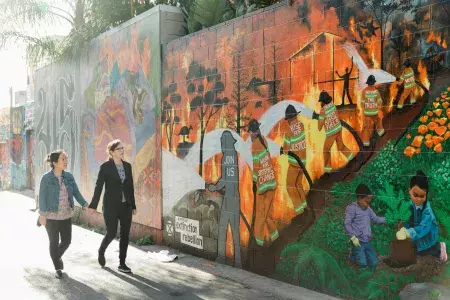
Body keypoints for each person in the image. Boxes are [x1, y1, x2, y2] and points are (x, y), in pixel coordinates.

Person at [38, 150, 92, 278]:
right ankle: (58, 268)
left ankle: (56, 258)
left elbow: (76, 193)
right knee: (54, 242)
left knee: (67, 241)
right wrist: (42, 215)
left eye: (66, 159)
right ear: (55, 162)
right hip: (51, 216)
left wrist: (85, 204)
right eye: (63, 159)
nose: (66, 161)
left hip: (66, 215)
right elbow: (42, 197)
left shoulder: (69, 177)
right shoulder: (46, 178)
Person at [89, 139, 137, 273]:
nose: (122, 151)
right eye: (119, 149)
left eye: (123, 148)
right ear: (111, 152)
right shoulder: (105, 167)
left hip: (125, 205)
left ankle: (122, 264)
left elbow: (130, 186)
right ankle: (101, 250)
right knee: (111, 232)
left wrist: (133, 205)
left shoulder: (127, 166)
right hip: (110, 205)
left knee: (125, 234)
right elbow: (99, 186)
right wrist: (93, 205)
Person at [396, 171, 447, 263]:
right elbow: (406, 218)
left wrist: (407, 233)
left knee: (425, 249)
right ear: (409, 192)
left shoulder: (427, 210)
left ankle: (439, 248)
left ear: (426, 194)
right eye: (415, 195)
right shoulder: (409, 205)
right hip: (415, 233)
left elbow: (424, 228)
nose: (418, 199)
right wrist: (402, 226)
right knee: (415, 249)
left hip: (427, 234)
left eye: (422, 196)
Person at [207, 131, 241, 267]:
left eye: (222, 142)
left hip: (228, 200)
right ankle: (238, 262)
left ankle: (221, 257)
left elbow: (225, 179)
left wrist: (214, 187)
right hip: (235, 198)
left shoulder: (226, 156)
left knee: (222, 228)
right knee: (235, 232)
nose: (221, 145)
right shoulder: (234, 155)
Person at [248, 119, 279, 247]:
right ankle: (275, 237)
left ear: (253, 133)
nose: (249, 134)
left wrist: (254, 182)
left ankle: (258, 242)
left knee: (261, 214)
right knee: (269, 213)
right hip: (271, 181)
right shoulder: (264, 140)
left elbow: (256, 166)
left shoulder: (255, 145)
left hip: (263, 185)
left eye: (250, 132)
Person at [344, 184, 386, 268]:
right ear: (360, 198)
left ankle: (361, 253)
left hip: (366, 240)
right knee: (362, 263)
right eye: (367, 201)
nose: (368, 203)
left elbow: (376, 219)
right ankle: (353, 253)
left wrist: (388, 219)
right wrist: (353, 237)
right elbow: (347, 223)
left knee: (374, 263)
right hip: (358, 241)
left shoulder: (368, 209)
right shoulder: (352, 208)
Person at [317, 90, 354, 173]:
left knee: (326, 150)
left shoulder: (323, 110)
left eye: (321, 101)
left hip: (331, 133)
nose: (320, 103)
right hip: (338, 129)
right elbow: (337, 116)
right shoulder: (333, 106)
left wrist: (319, 118)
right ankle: (352, 158)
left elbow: (319, 127)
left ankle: (328, 170)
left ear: (323, 101)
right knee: (341, 147)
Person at [280, 105, 307, 215]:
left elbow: (286, 150)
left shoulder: (288, 132)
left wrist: (282, 150)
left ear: (290, 118)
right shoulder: (302, 125)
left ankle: (300, 211)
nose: (287, 122)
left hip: (295, 164)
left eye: (287, 120)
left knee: (290, 186)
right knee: (298, 185)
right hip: (303, 161)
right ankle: (305, 206)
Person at [360, 75, 385, 147]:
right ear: (373, 83)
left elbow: (362, 103)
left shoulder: (364, 91)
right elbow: (380, 101)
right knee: (378, 121)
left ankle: (366, 143)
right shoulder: (376, 91)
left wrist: (365, 109)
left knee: (366, 127)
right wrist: (376, 107)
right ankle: (381, 133)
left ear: (368, 83)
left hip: (367, 113)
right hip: (374, 112)